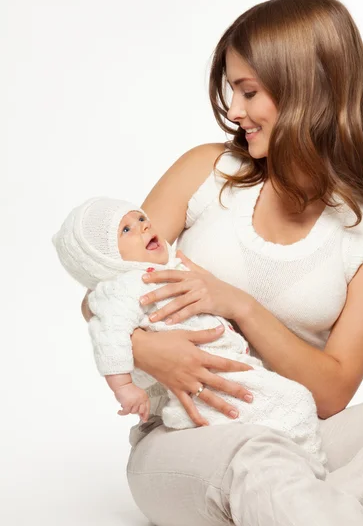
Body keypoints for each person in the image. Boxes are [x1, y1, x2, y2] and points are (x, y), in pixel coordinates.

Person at [81, 0, 363, 525]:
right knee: (257, 460)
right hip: (186, 440)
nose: (234, 111)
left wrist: (239, 305)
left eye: (249, 91)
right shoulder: (206, 171)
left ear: (309, 90)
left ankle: (315, 511)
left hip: (301, 435)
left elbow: (332, 392)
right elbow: (102, 291)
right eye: (232, 91)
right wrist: (145, 350)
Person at [53, 197, 327, 465]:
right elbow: (109, 333)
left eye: (140, 218)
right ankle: (313, 467)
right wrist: (123, 387)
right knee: (295, 403)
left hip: (230, 368)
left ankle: (301, 466)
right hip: (205, 381)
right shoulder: (125, 287)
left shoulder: (175, 264)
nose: (144, 226)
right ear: (104, 260)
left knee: (285, 412)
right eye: (126, 230)